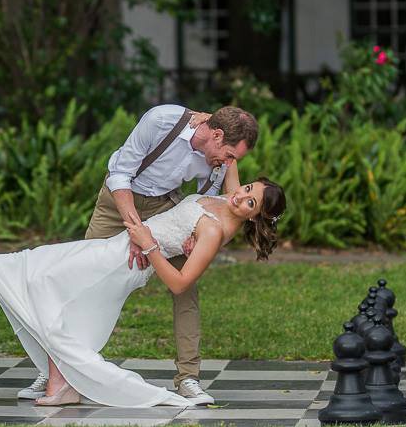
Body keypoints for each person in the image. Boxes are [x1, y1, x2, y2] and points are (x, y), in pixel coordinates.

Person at [0, 179, 285, 406]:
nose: (241, 196)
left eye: (251, 202)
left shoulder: (214, 231)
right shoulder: (225, 199)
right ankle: (61, 384)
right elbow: (231, 156)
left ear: (255, 217)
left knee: (44, 272)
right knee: (49, 275)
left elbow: (180, 283)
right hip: (118, 246)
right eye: (247, 188)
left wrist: (149, 244)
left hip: (126, 261)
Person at [60, 104, 259, 405]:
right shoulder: (162, 120)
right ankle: (56, 369)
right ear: (217, 135)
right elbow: (120, 174)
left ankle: (188, 378)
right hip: (119, 199)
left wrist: (194, 235)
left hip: (166, 209)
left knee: (186, 289)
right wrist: (137, 231)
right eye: (230, 156)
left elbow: (212, 203)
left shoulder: (219, 160)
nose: (231, 165)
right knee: (83, 279)